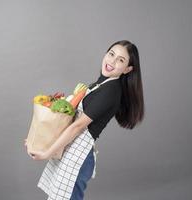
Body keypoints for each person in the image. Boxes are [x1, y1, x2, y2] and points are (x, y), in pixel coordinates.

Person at [24, 40, 145, 200]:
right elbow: (71, 119)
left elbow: (78, 126)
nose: (112, 61)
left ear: (128, 69)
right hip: (70, 151)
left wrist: (47, 153)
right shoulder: (100, 84)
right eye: (111, 54)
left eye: (120, 60)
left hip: (78, 158)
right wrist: (41, 138)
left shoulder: (111, 91)